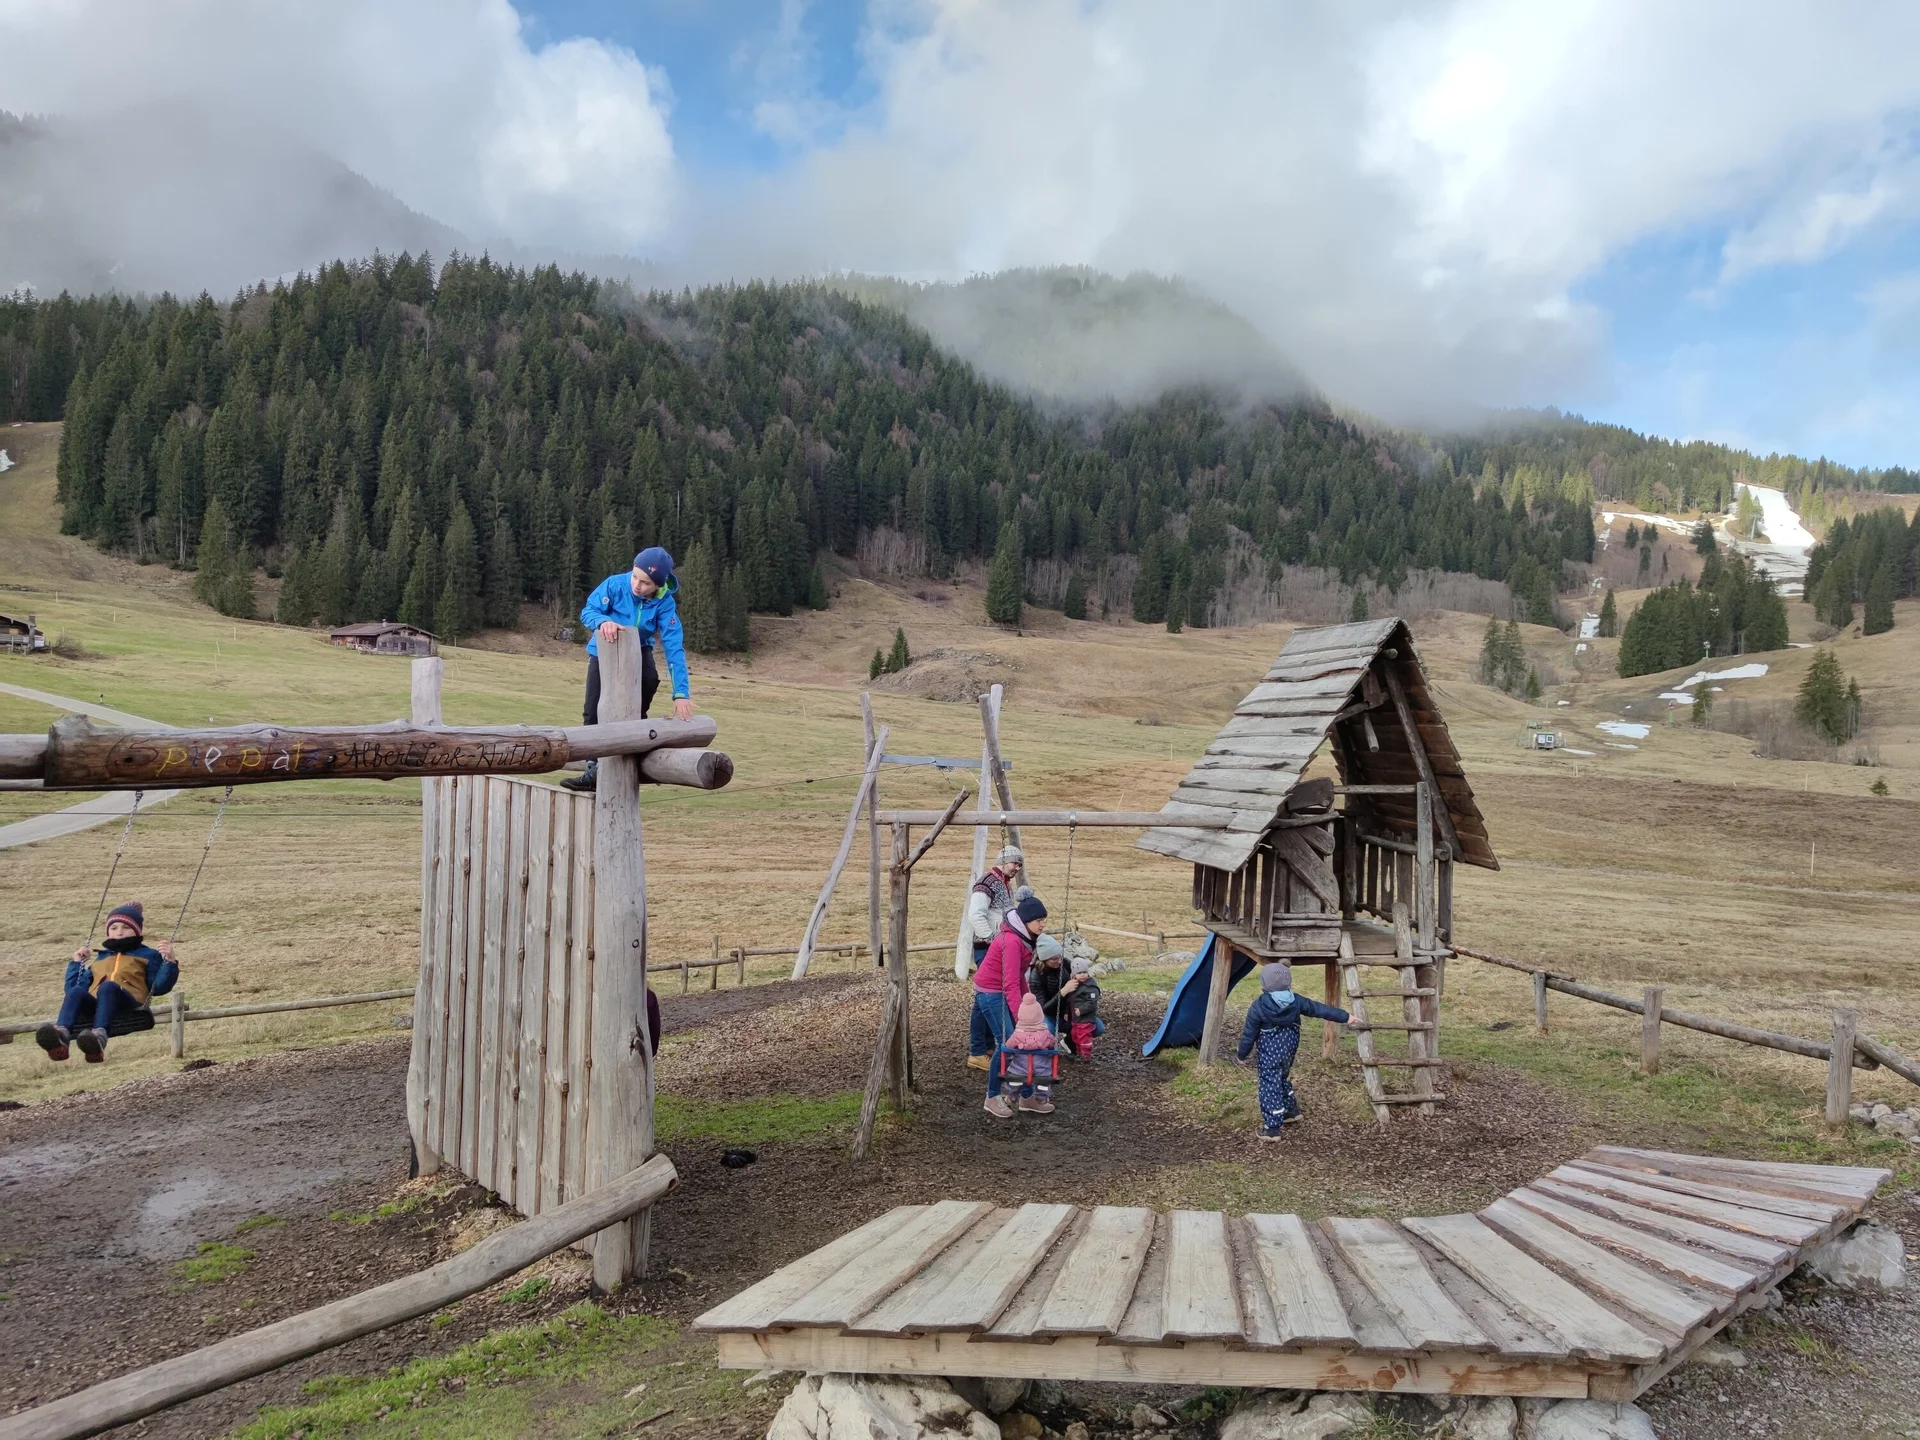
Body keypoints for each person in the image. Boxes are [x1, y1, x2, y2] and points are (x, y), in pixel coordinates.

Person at [563, 547, 695, 793]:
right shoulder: (615, 584)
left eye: (645, 583)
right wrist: (603, 622)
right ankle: (593, 767)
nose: (637, 585)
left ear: (659, 583)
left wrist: (681, 694)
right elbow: (588, 611)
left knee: (649, 680)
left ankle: (634, 739)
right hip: (603, 652)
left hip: (639, 650)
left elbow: (674, 649)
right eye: (635, 576)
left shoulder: (665, 604)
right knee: (593, 708)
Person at [37, 902, 178, 1063]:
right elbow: (73, 989)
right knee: (77, 992)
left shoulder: (149, 955)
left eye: (126, 927)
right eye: (114, 928)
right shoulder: (101, 958)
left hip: (128, 1001)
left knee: (108, 987)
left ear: (137, 930)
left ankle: (98, 1039)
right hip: (98, 1003)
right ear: (108, 932)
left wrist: (170, 962)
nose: (119, 932)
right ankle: (60, 1038)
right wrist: (77, 964)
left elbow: (159, 986)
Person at [1235, 962, 1352, 1140]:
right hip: (1289, 1049)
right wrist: (1346, 1016)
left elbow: (1249, 1035)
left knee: (1269, 1085)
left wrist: (1241, 1054)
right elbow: (1319, 1009)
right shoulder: (1296, 1001)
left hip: (1270, 1053)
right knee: (1282, 1077)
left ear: (1264, 985)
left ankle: (1272, 1128)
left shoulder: (1258, 1007)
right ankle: (1290, 1111)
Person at [976, 894, 1048, 1118]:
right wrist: (1023, 1018)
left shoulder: (1025, 937)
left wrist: (1030, 1001)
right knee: (1007, 1043)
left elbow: (1019, 976)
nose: (1043, 924)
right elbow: (1009, 984)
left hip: (1004, 989)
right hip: (990, 992)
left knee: (1024, 1044)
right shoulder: (1013, 942)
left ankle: (1026, 1098)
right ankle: (992, 1096)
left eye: (1045, 919)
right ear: (1026, 921)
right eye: (1039, 921)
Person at [963, 846, 1024, 1070]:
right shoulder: (986, 883)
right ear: (1003, 861)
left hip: (997, 947)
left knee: (987, 998)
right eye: (1015, 863)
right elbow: (976, 914)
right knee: (985, 999)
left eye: (1020, 865)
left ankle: (986, 1045)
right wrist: (991, 939)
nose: (1017, 868)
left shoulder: (1005, 884)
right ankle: (977, 1051)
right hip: (987, 947)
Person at [1064, 957, 1104, 1058]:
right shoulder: (1074, 985)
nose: (1082, 975)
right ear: (1074, 975)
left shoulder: (1090, 987)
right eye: (1079, 973)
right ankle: (1078, 1053)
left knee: (1084, 1037)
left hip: (1086, 1019)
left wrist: (1081, 1010)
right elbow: (1070, 1001)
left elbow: (1092, 1003)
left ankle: (1085, 1055)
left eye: (1084, 972)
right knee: (1075, 1036)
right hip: (1076, 1019)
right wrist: (1067, 1012)